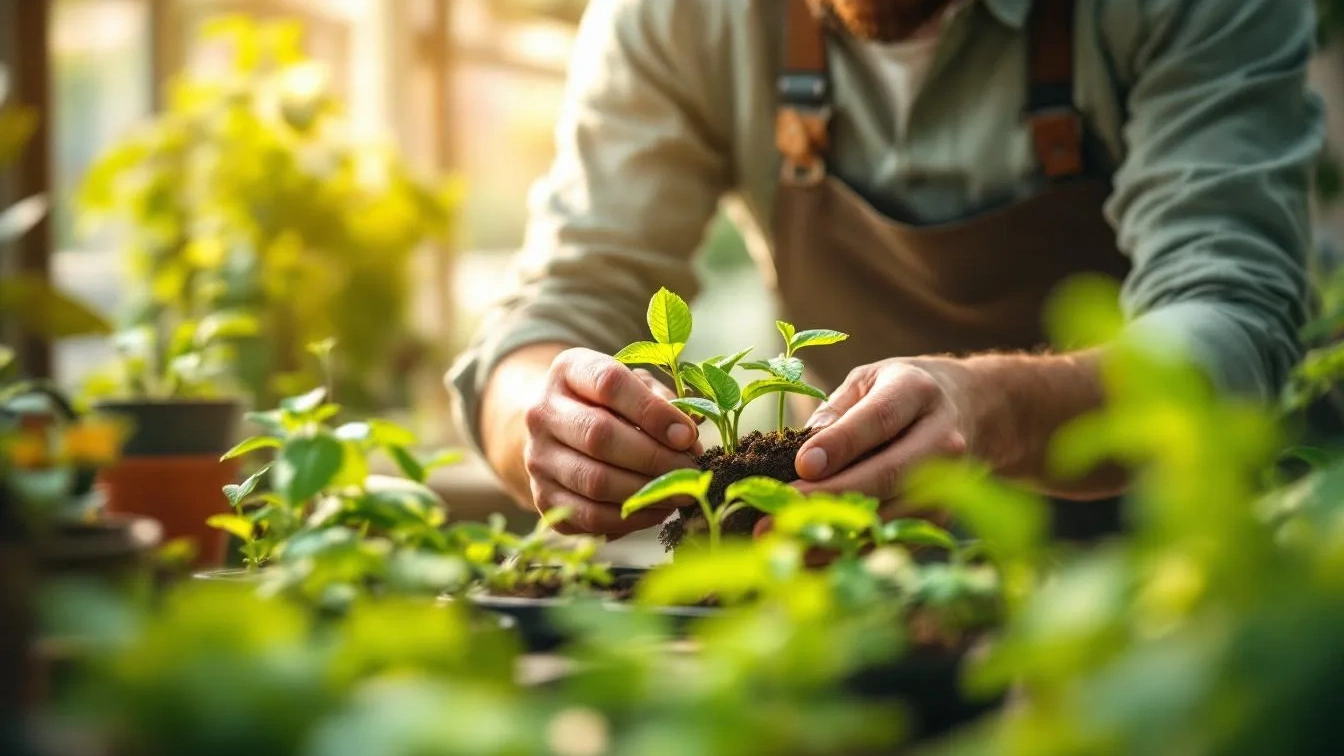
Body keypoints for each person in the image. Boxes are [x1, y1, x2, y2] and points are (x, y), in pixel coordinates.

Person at [448, 0, 1324, 538]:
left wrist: (995, 411)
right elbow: (553, 310)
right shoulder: (675, 15)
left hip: (1189, 564)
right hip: (885, 570)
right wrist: (556, 419)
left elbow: (1232, 322)